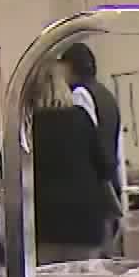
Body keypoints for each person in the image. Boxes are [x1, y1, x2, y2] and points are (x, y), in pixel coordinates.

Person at [22, 64, 117, 264]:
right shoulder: (81, 118)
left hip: (44, 223)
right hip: (85, 221)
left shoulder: (26, 126)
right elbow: (106, 166)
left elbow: (6, 168)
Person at [59, 42, 124, 250]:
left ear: (70, 67)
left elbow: (85, 142)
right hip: (111, 182)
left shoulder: (80, 95)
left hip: (95, 188)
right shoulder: (107, 96)